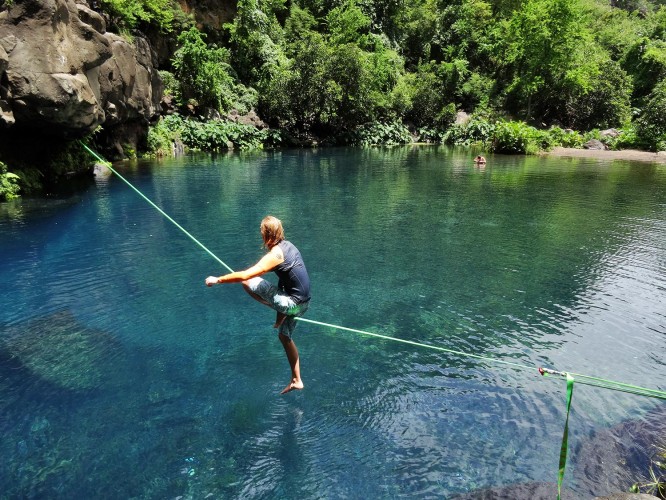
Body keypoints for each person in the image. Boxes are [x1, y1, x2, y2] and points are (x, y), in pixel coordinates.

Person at [205, 215, 311, 394]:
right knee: (284, 337)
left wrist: (217, 279)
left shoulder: (276, 255)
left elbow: (246, 275)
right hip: (304, 304)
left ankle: (278, 308)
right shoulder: (289, 246)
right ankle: (296, 380)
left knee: (248, 282)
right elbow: (284, 287)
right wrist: (279, 320)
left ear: (265, 234)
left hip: (291, 305)